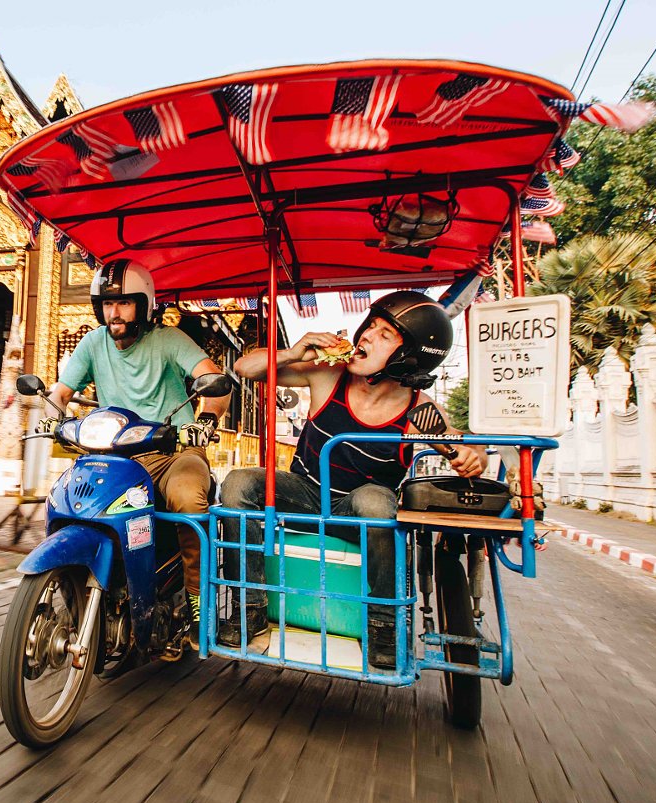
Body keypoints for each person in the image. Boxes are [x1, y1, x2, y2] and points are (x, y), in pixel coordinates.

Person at [219, 290, 487, 667]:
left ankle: (383, 625)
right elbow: (247, 368)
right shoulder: (328, 373)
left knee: (377, 500)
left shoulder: (418, 410)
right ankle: (250, 610)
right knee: (237, 484)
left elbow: (464, 449)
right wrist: (295, 352)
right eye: (370, 327)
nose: (366, 337)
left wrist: (472, 459)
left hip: (359, 515)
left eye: (384, 335)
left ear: (410, 356)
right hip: (305, 495)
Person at [51, 260, 231, 650]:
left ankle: (198, 606)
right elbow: (61, 391)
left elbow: (214, 380)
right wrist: (51, 415)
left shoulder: (168, 339)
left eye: (124, 303)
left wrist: (206, 420)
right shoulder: (93, 343)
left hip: (174, 451)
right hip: (118, 453)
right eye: (107, 304)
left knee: (186, 499)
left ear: (144, 305)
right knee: (69, 499)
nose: (114, 313)